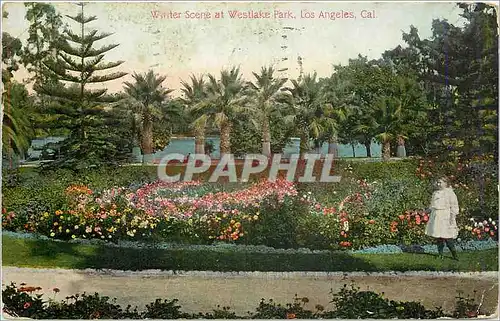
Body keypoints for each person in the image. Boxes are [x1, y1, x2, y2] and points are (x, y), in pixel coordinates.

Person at [425, 176, 459, 260]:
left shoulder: (450, 193)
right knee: (438, 237)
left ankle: (454, 255)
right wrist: (426, 211)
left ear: (446, 183)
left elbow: (454, 205)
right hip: (436, 216)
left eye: (440, 182)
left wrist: (452, 216)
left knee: (447, 237)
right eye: (437, 182)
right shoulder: (435, 193)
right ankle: (440, 254)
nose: (438, 184)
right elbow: (432, 205)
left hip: (445, 216)